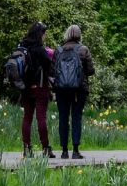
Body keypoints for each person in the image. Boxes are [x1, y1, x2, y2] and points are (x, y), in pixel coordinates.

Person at [53, 23, 96, 159]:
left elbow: (52, 71)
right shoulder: (83, 50)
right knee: (76, 117)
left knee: (63, 118)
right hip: (79, 89)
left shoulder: (58, 50)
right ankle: (76, 151)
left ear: (67, 34)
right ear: (79, 35)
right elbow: (90, 70)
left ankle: (64, 151)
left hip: (61, 90)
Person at [17, 20, 55, 159]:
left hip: (25, 89)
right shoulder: (40, 50)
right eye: (44, 34)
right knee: (41, 118)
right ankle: (45, 148)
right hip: (40, 87)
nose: (45, 36)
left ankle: (27, 149)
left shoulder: (23, 48)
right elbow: (49, 66)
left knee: (27, 118)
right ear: (40, 34)